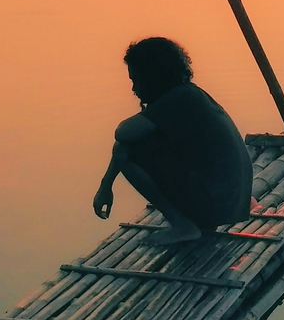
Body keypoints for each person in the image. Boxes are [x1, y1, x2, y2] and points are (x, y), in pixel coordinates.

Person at [93, 36, 253, 244]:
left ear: (151, 76)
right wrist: (106, 186)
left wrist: (106, 186)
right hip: (231, 201)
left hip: (222, 202)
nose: (133, 89)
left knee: (131, 152)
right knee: (137, 143)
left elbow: (123, 134)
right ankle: (195, 222)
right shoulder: (189, 94)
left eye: (135, 80)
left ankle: (183, 225)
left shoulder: (178, 100)